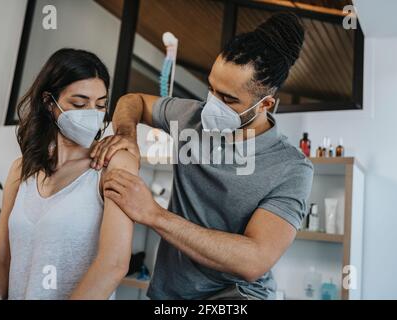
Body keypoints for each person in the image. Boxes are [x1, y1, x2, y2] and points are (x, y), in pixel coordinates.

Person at [92, 12, 314, 300]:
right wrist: (125, 134)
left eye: (228, 99)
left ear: (265, 104)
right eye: (211, 89)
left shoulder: (291, 167)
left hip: (238, 297)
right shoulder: (191, 117)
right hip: (169, 293)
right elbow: (132, 101)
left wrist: (154, 214)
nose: (211, 106)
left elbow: (254, 260)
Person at [0, 49, 138, 299]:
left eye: (100, 105)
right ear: (49, 102)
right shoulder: (21, 169)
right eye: (79, 103)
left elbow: (114, 264)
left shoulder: (114, 164)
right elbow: (1, 260)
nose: (92, 113)